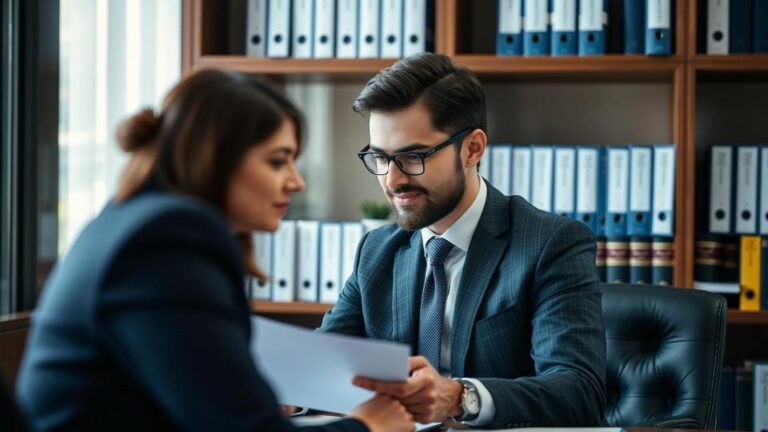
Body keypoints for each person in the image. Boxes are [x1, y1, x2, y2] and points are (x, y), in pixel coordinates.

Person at [15, 70, 414, 432]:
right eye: (278, 161)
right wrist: (368, 427)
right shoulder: (165, 242)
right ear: (215, 159)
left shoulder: (132, 220)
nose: (296, 183)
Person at [318, 52, 607, 429]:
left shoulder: (551, 244)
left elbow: (579, 393)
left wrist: (459, 396)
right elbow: (323, 365)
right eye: (380, 158)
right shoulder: (376, 251)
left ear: (472, 149)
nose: (392, 180)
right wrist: (283, 391)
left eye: (413, 156)